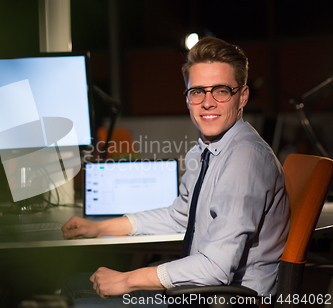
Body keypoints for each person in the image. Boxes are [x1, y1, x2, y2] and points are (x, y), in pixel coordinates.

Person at [61, 37, 290, 305]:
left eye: (221, 91)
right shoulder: (206, 149)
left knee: (75, 293)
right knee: (74, 284)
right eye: (197, 91)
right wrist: (100, 227)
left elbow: (215, 269)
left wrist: (127, 279)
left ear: (242, 96)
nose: (207, 102)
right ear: (188, 98)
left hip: (224, 299)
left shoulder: (245, 159)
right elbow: (180, 217)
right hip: (203, 291)